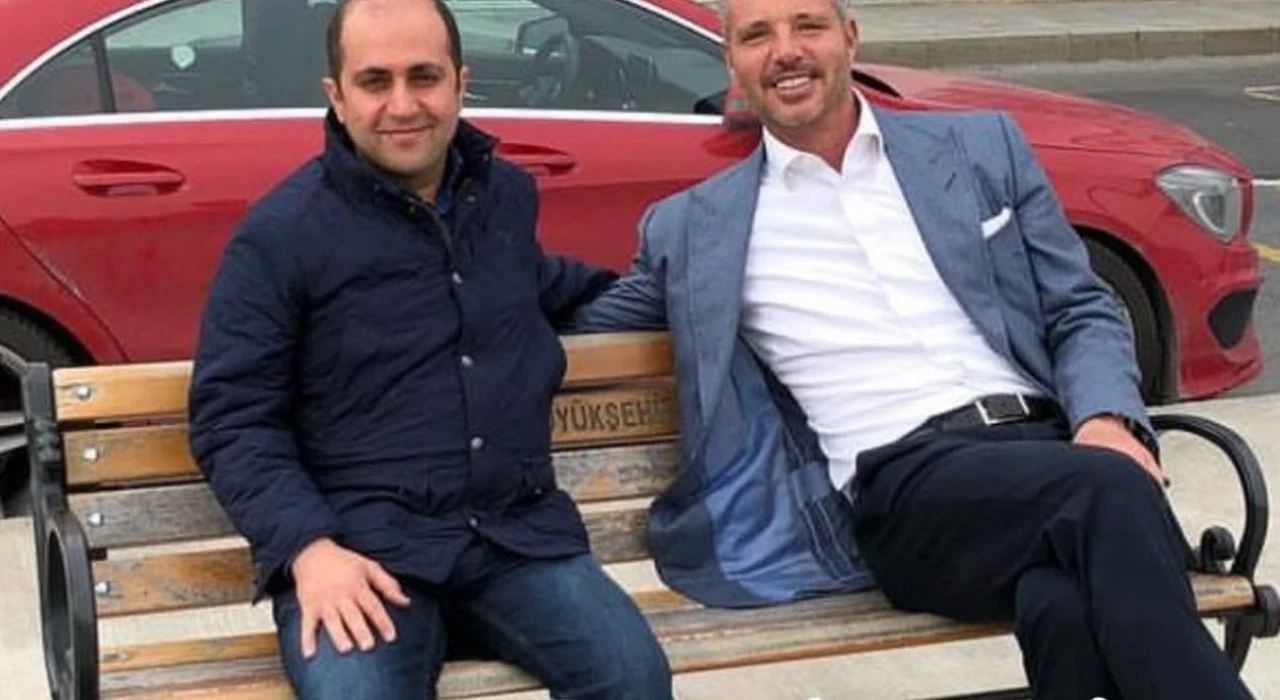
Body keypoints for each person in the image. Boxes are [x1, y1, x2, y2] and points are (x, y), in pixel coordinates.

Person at [568, 0, 1255, 697]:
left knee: (1062, 604)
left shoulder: (980, 148)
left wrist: (1105, 418)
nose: (785, 50)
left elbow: (1080, 305)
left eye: (808, 25)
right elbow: (580, 320)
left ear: (849, 38)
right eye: (757, 35)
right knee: (1109, 492)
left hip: (1048, 455)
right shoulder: (695, 227)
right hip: (908, 493)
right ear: (732, 62)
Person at [186, 1, 673, 698]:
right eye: (375, 81)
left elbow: (531, 281)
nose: (403, 104)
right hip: (361, 551)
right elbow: (231, 416)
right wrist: (308, 550)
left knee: (634, 680)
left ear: (460, 83)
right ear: (336, 97)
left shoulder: (502, 198)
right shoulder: (281, 234)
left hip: (513, 537)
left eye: (424, 76)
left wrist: (673, 289)